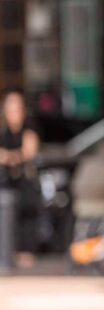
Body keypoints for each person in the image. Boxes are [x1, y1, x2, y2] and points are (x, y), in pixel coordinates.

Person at [0, 90, 41, 266]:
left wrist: (9, 157)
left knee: (26, 216)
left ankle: (25, 252)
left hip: (25, 181)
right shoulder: (2, 132)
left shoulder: (29, 130)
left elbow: (28, 152)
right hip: (5, 181)